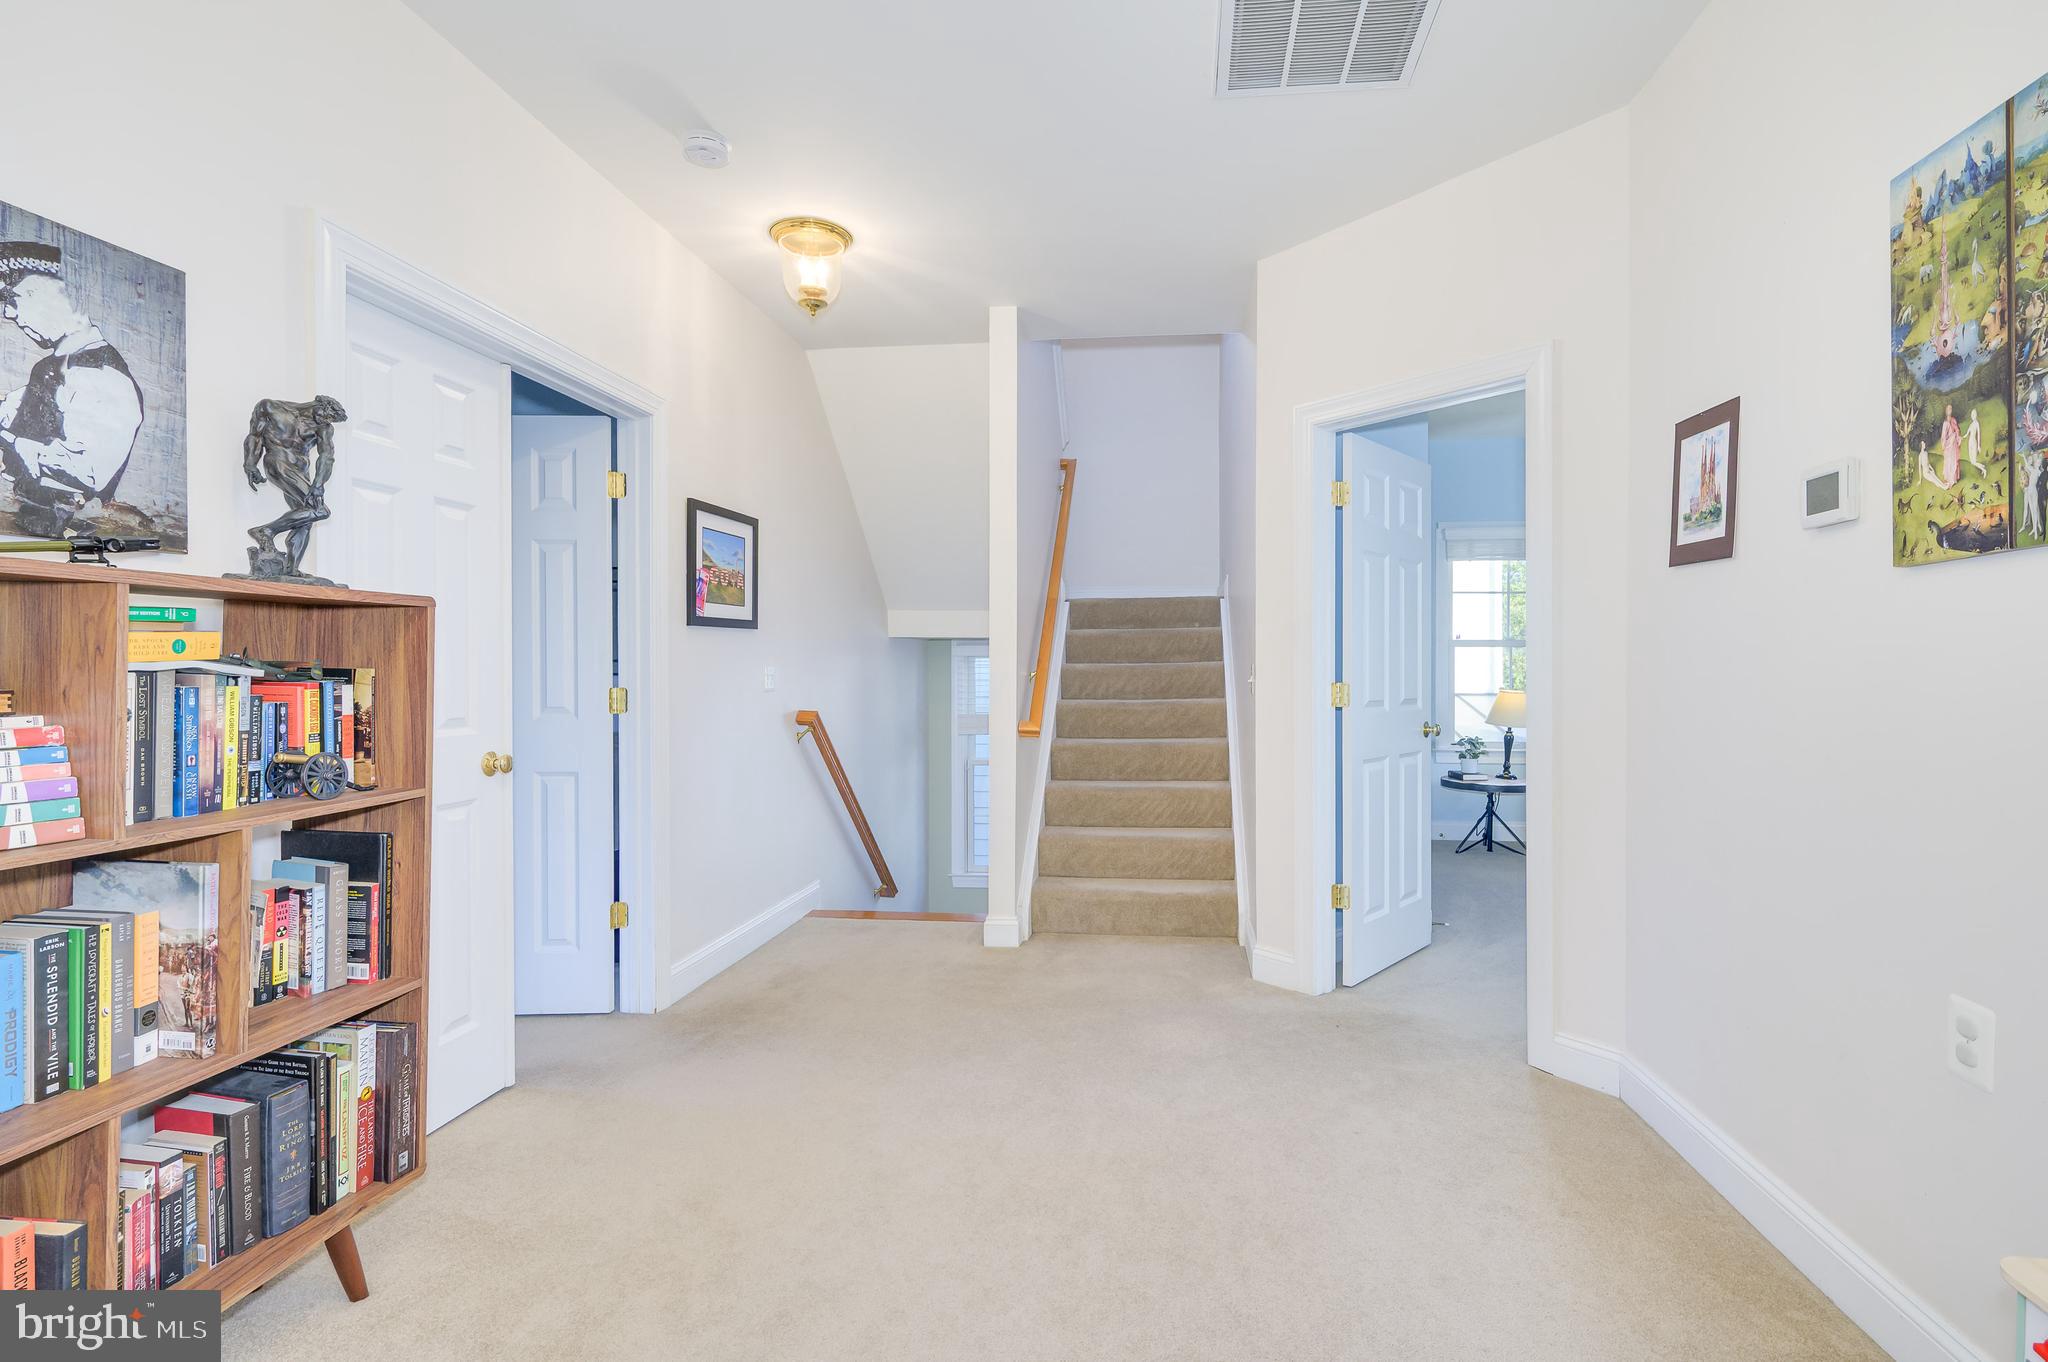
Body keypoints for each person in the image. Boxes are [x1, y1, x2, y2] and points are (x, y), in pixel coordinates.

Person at [0, 240, 144, 536]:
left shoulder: (101, 373)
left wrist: (12, 441)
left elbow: (89, 471)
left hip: (65, 533)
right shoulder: (55, 368)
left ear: (42, 295)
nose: (8, 315)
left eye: (12, 300)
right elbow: (15, 412)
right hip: (37, 535)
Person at [1939, 402, 1963, 486]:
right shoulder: (1945, 423)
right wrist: (1945, 444)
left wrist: (1957, 436)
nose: (1949, 410)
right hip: (1948, 445)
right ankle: (1949, 480)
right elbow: (1943, 436)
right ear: (1946, 411)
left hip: (1954, 445)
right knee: (1949, 461)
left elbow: (1957, 430)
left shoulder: (1953, 420)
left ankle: (1954, 479)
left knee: (1954, 460)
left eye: (1951, 409)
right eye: (1948, 409)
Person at [1964, 405, 1986, 476]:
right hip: (1969, 442)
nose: (1972, 416)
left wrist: (1979, 446)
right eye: (1972, 414)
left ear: (1976, 415)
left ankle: (1984, 470)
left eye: (1974, 414)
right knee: (1971, 461)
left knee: (1973, 461)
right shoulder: (1971, 424)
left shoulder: (1977, 423)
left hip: (1974, 442)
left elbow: (1979, 434)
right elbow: (1966, 434)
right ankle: (1982, 467)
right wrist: (1961, 437)